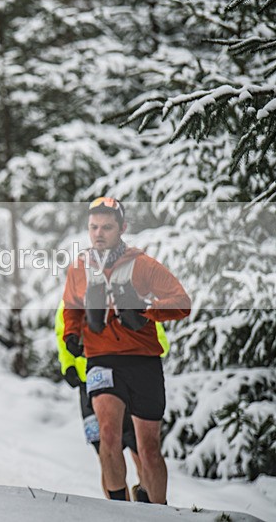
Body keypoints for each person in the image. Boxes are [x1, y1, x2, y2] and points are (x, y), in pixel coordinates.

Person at [61, 197, 190, 504]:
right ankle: (119, 510)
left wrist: (147, 311)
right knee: (108, 435)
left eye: (107, 226)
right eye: (94, 227)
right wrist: (71, 336)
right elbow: (71, 309)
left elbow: (182, 302)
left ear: (122, 228)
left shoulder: (142, 264)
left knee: (148, 447)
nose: (99, 233)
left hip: (143, 361)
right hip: (100, 359)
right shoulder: (80, 268)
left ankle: (159, 510)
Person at [55, 301, 171, 502]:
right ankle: (119, 509)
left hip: (129, 375)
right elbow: (62, 333)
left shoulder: (130, 294)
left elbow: (156, 332)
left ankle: (147, 498)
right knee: (105, 447)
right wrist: (68, 365)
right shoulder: (73, 299)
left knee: (139, 448)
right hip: (89, 383)